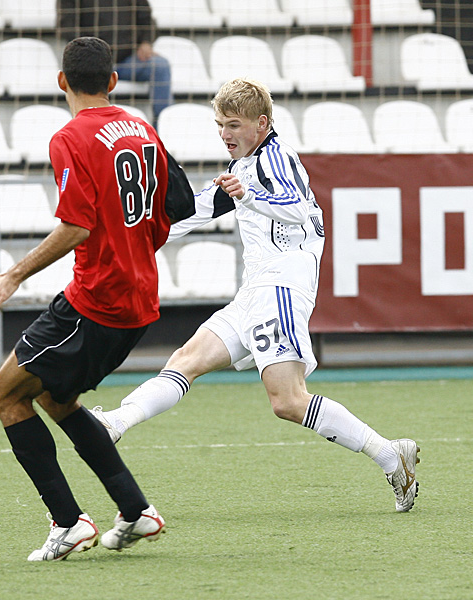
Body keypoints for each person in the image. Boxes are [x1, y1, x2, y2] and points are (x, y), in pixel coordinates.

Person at [93, 78, 421, 513]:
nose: (224, 133)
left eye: (233, 125)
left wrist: (249, 194)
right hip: (256, 290)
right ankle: (114, 422)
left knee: (288, 400)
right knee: (186, 361)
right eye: (220, 124)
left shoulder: (275, 158)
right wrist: (130, 239)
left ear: (261, 124)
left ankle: (389, 455)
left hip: (281, 287)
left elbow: (296, 206)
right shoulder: (246, 165)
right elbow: (197, 209)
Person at [0, 36, 183, 561]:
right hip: (140, 300)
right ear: (114, 81)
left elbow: (76, 227)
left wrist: (13, 275)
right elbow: (177, 202)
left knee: (5, 394)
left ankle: (68, 522)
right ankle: (135, 510)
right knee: (54, 398)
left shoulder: (70, 137)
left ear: (62, 81)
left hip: (96, 300)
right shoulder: (143, 129)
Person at [58, 0, 173, 123]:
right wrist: (87, 49)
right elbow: (67, 26)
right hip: (91, 62)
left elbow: (147, 20)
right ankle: (83, 125)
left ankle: (163, 126)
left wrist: (146, 42)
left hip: (127, 61)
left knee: (160, 66)